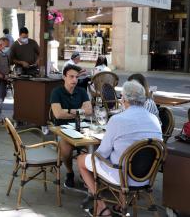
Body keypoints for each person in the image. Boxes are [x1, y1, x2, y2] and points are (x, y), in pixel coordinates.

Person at [77, 81, 162, 216]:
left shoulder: (117, 120)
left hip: (121, 177)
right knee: (123, 159)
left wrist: (93, 154)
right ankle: (121, 205)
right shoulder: (154, 119)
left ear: (124, 99)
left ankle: (101, 208)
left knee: (81, 160)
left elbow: (102, 153)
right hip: (146, 177)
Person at [50, 64, 92, 188]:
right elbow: (58, 114)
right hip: (62, 130)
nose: (74, 80)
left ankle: (86, 174)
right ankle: (70, 172)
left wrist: (67, 111)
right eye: (71, 77)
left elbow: (89, 111)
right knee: (66, 150)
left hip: (82, 129)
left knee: (92, 148)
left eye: (76, 77)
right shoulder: (57, 92)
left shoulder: (82, 91)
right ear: (64, 77)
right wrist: (78, 111)